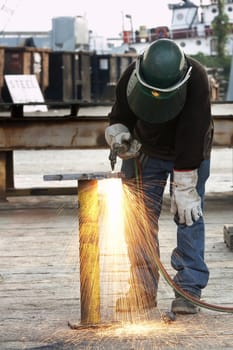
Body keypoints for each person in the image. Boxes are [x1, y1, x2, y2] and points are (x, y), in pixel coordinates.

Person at [105, 38, 213, 315]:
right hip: (147, 152)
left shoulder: (196, 78)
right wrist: (119, 132)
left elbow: (193, 131)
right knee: (138, 219)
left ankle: (188, 291)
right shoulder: (132, 74)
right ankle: (142, 289)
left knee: (188, 216)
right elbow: (120, 113)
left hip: (188, 152)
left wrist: (186, 184)